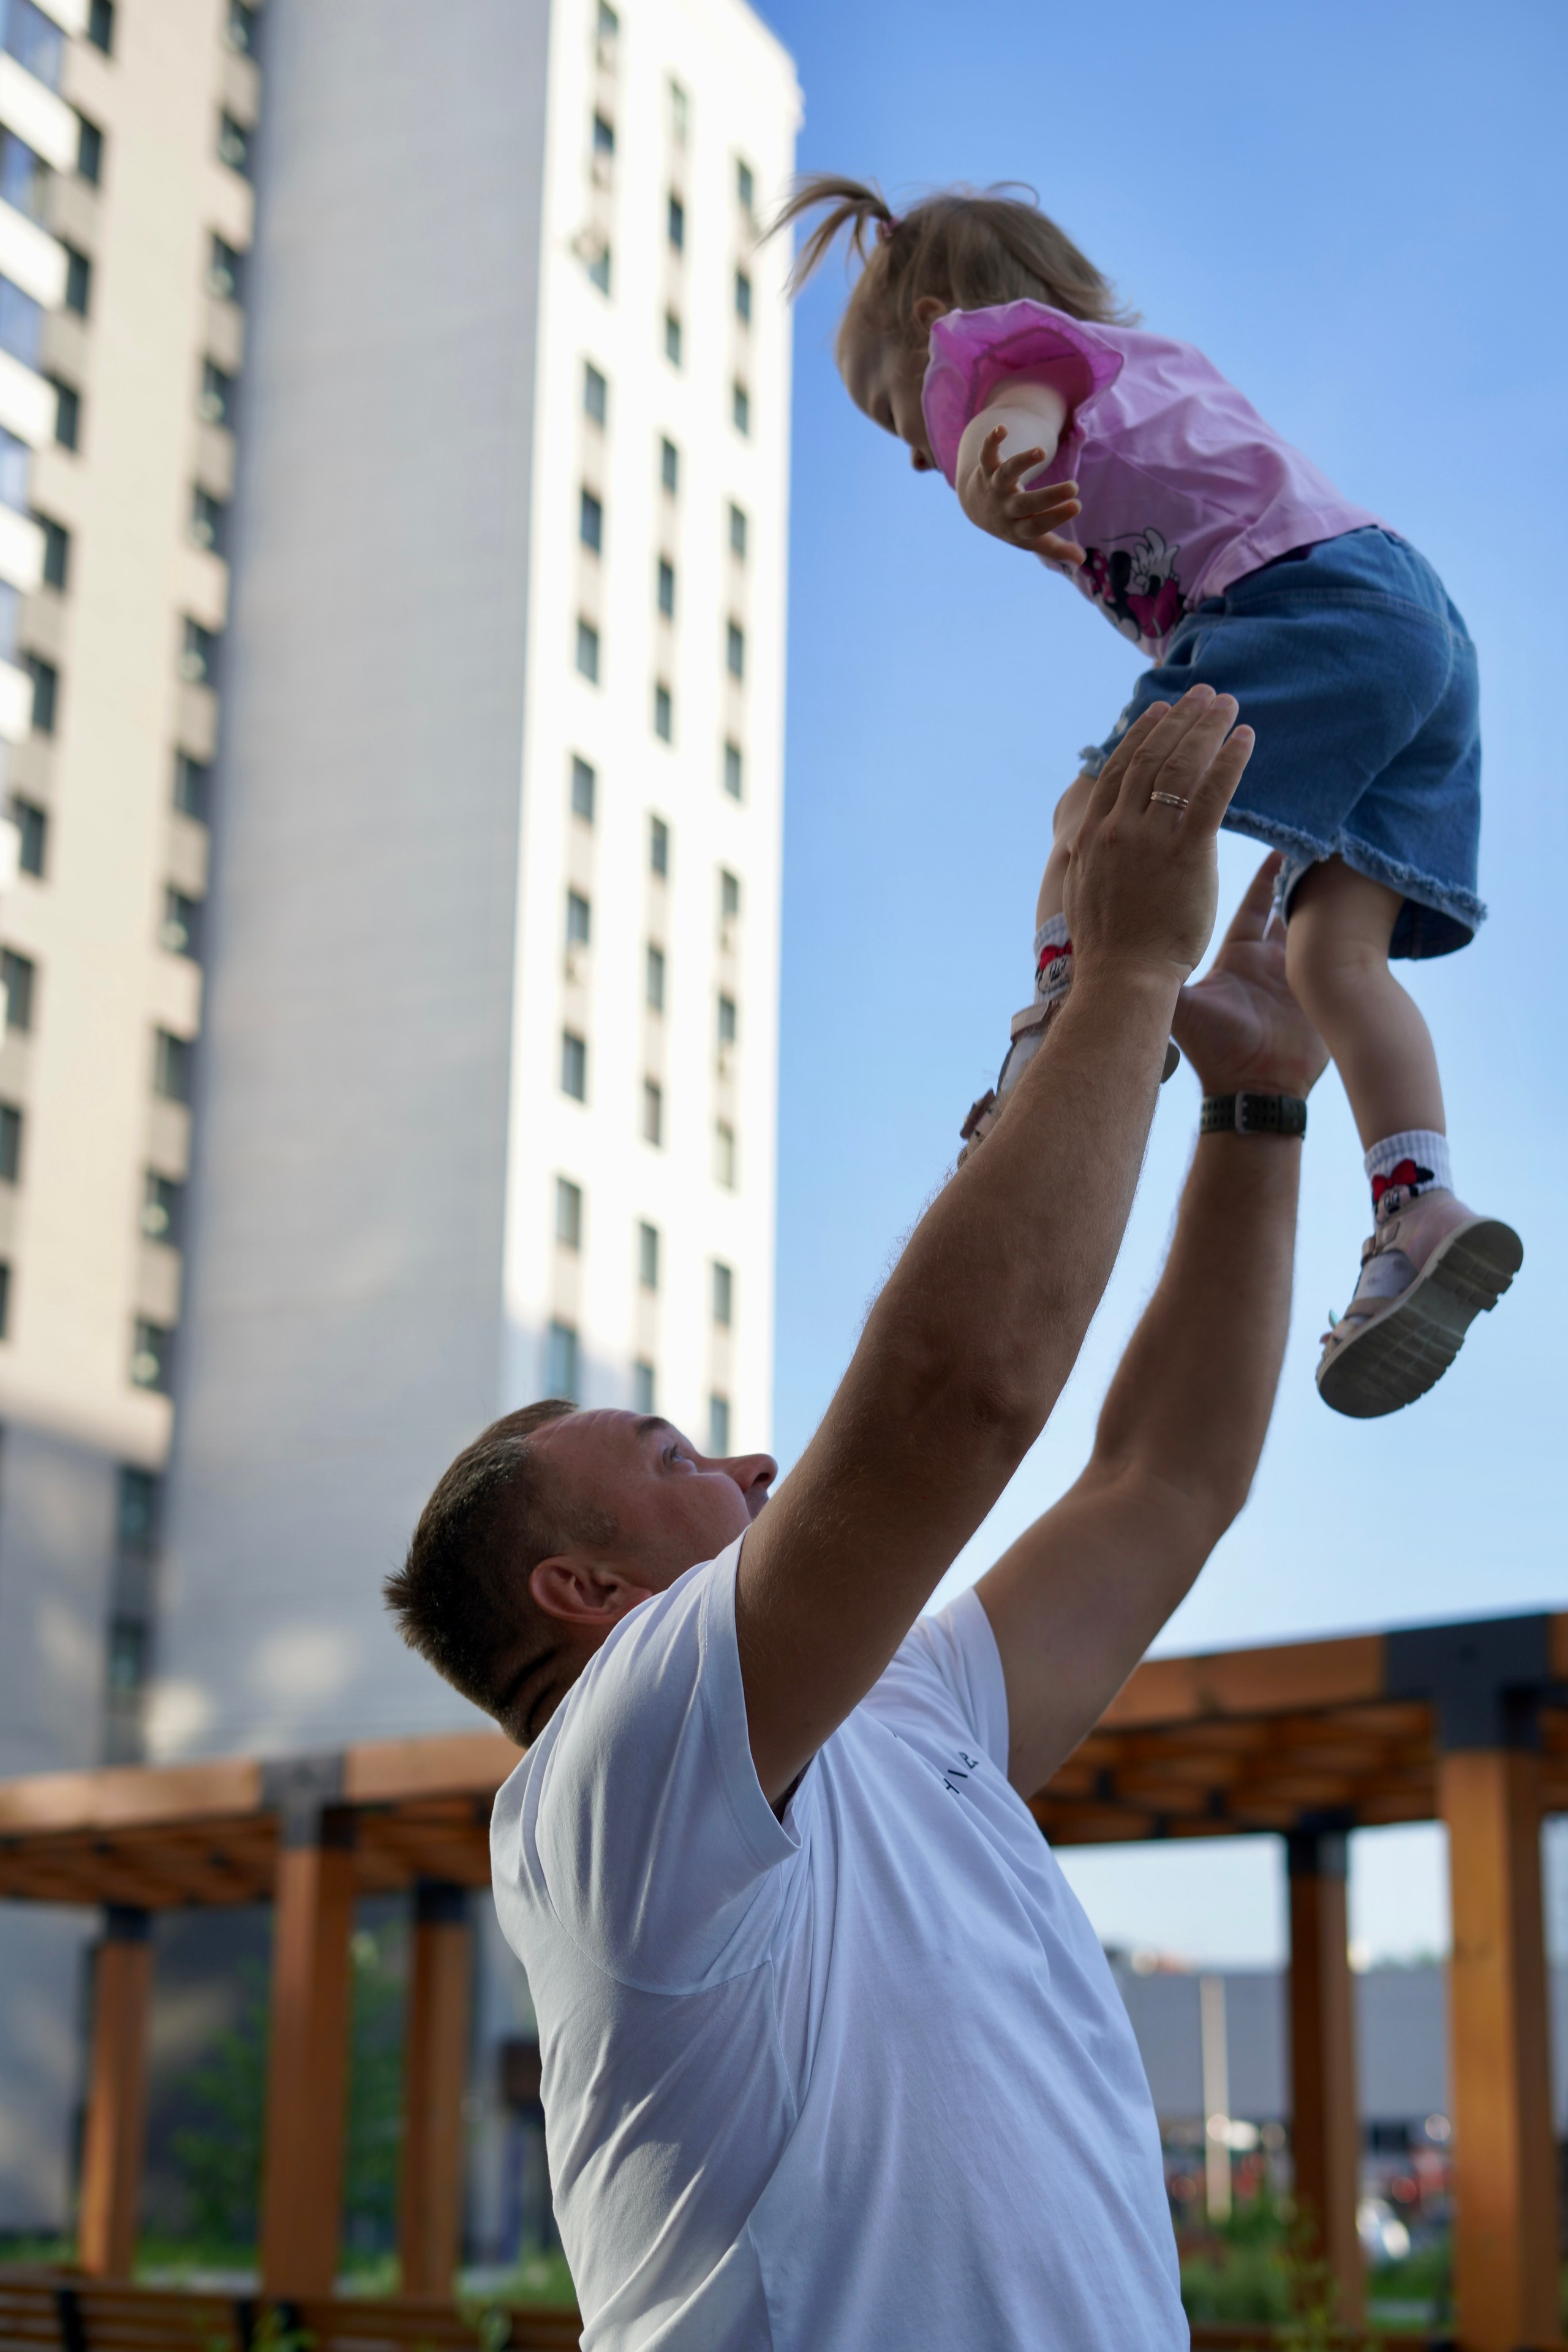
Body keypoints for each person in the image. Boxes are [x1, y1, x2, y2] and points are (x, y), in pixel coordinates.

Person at [387, 696, 1325, 2350]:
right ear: (585, 1590)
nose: (751, 1468)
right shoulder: (616, 1775)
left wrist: (1252, 1102)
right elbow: (958, 1392)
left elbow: (1162, 1484)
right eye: (671, 1452)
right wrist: (1117, 975)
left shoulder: (902, 1712)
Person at [776, 175, 1522, 1419]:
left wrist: (985, 475)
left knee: (1092, 818)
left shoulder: (1005, 356)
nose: (911, 453)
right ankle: (1418, 1208)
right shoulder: (1137, 362)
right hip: (1417, 629)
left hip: (1301, 601)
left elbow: (996, 423)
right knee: (1337, 960)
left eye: (893, 411)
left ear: (934, 320)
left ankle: (1055, 1028)